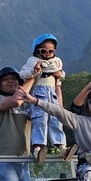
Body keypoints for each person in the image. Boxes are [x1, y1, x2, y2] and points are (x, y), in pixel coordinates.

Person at [19, 33, 66, 163]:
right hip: (38, 93)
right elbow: (22, 74)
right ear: (37, 51)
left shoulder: (57, 62)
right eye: (43, 51)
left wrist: (60, 74)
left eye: (51, 51)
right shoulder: (33, 61)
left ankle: (61, 146)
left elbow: (59, 82)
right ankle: (38, 148)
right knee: (40, 120)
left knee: (56, 119)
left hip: (53, 94)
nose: (47, 54)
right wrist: (34, 71)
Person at [0, 66, 35, 181]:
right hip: (3, 160)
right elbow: (15, 101)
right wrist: (33, 76)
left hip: (23, 161)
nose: (10, 81)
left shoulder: (27, 103)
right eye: (5, 79)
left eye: (14, 78)